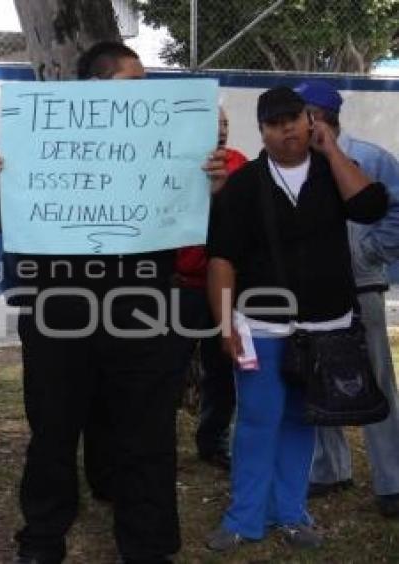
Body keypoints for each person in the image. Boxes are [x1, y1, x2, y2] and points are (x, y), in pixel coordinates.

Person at [0, 42, 228, 564]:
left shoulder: (170, 145)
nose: (145, 99)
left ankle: (148, 547)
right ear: (95, 90)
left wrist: (213, 188)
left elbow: (212, 230)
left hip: (143, 313)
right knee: (53, 431)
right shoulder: (39, 140)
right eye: (133, 86)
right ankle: (42, 539)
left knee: (147, 433)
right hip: (57, 315)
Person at [205, 86, 387, 552]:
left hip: (325, 326)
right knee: (256, 419)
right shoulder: (245, 184)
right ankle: (244, 517)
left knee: (301, 420)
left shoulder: (334, 171)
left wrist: (331, 151)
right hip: (260, 324)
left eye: (294, 119)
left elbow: (369, 206)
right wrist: (226, 325)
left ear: (311, 121)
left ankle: (291, 512)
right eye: (274, 122)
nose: (286, 128)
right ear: (262, 130)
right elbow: (222, 258)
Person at [295, 80, 399, 518]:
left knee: (375, 378)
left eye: (297, 116)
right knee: (313, 375)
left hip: (360, 285)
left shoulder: (371, 157)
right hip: (310, 290)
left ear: (317, 117)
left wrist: (369, 253)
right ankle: (330, 468)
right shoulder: (294, 163)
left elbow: (395, 211)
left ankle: (392, 480)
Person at [170, 107, 248, 470]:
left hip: (224, 288)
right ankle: (159, 442)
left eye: (226, 124)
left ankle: (213, 440)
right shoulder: (174, 161)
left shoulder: (239, 164)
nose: (221, 131)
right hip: (181, 287)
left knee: (222, 370)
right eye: (214, 125)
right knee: (170, 367)